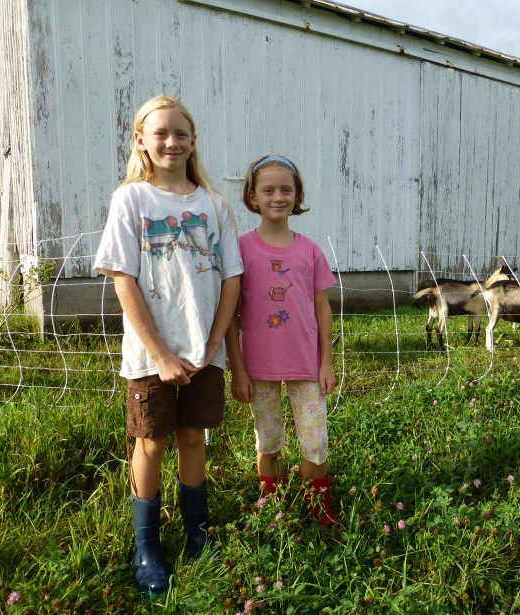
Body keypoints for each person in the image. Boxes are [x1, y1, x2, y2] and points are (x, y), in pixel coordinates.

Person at [94, 95, 243, 595]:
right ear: (140, 140)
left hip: (205, 351)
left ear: (193, 140)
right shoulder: (131, 200)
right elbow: (123, 281)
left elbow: (231, 281)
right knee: (152, 441)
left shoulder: (213, 205)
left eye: (181, 133)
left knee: (192, 438)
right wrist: (159, 354)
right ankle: (147, 544)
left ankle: (197, 535)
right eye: (160, 133)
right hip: (149, 354)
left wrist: (216, 340)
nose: (171, 142)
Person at [225, 153, 337, 527]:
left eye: (286, 189)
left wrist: (326, 363)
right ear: (253, 197)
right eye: (268, 189)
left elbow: (323, 310)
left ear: (297, 195)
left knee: (315, 442)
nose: (278, 196)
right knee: (268, 439)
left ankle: (317, 509)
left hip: (306, 366)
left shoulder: (310, 251)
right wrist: (237, 369)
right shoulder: (240, 249)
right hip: (258, 367)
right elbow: (231, 315)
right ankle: (272, 503)